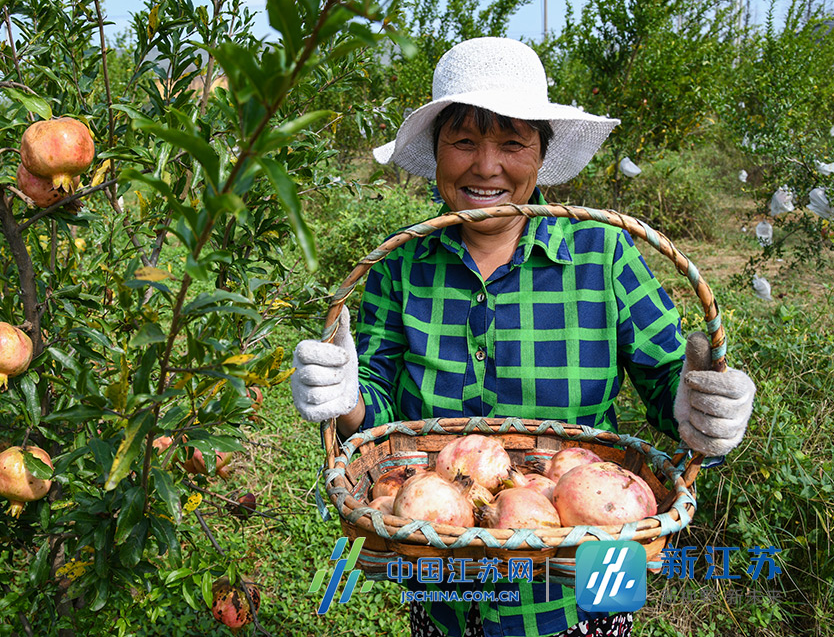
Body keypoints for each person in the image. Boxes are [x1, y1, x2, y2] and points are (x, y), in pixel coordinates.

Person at [290, 37, 755, 637]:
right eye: (463, 141)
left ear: (541, 156)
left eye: (512, 142)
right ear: (436, 155)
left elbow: (671, 379)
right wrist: (346, 396)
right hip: (448, 582)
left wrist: (701, 407)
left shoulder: (603, 254)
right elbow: (374, 408)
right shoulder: (403, 267)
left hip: (588, 585)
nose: (487, 166)